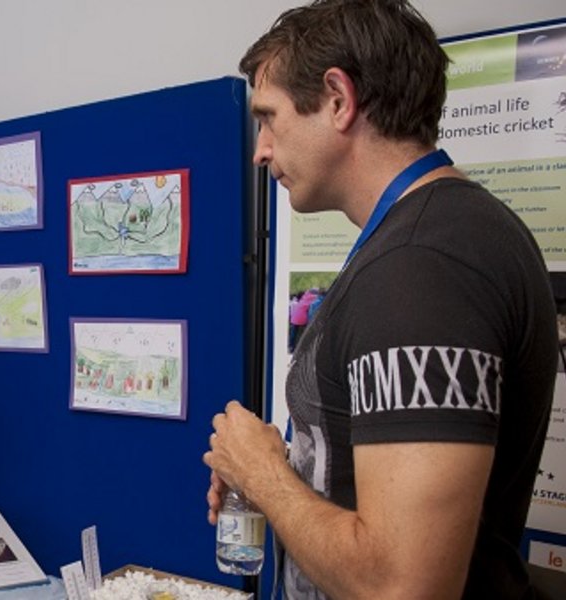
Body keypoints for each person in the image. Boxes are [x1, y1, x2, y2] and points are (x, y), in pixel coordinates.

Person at [204, 2, 557, 599]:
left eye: (269, 118)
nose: (260, 151)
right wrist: (271, 469)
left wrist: (264, 478)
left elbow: (404, 586)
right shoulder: (436, 239)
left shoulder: (422, 267)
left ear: (338, 98)